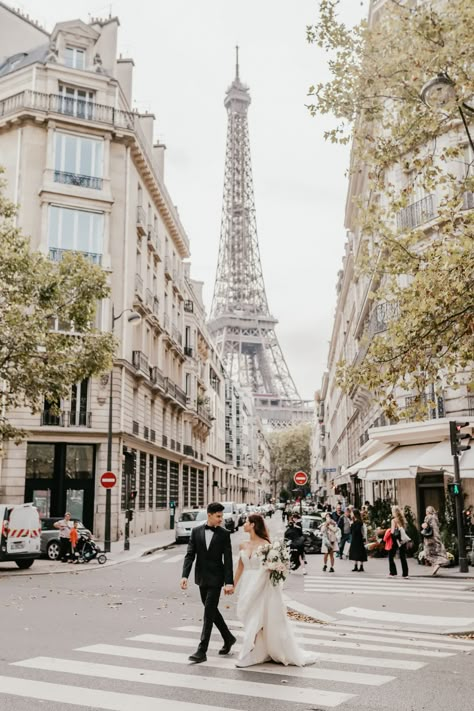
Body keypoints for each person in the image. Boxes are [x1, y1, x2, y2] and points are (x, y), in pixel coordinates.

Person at [234, 513, 316, 667]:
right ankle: (259, 649)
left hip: (262, 586)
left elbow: (274, 567)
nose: (243, 524)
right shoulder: (243, 545)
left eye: (246, 522)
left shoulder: (267, 545)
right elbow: (240, 567)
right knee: (249, 616)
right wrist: (232, 585)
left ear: (253, 525)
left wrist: (275, 568)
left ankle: (249, 652)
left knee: (256, 618)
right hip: (247, 584)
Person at [180, 502, 235, 663]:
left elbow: (229, 559)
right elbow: (190, 555)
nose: (221, 519)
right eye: (218, 516)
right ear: (209, 515)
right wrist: (184, 576)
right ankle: (228, 637)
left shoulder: (224, 534)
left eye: (222, 516)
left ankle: (201, 651)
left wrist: (229, 582)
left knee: (208, 614)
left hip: (217, 579)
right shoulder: (196, 532)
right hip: (201, 578)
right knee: (211, 611)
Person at [422, 505, 449, 576]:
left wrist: (423, 525)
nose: (426, 512)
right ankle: (436, 566)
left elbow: (425, 526)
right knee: (438, 553)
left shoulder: (428, 517)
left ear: (428, 512)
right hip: (436, 538)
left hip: (429, 538)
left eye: (426, 511)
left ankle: (436, 564)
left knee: (428, 554)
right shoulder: (435, 518)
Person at [387, 506, 410, 578]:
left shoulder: (393, 520)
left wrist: (388, 531)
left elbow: (393, 532)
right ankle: (405, 574)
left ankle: (393, 572)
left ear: (394, 512)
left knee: (390, 556)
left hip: (395, 540)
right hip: (403, 540)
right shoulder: (403, 520)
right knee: (403, 556)